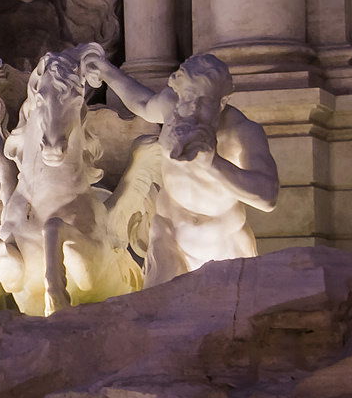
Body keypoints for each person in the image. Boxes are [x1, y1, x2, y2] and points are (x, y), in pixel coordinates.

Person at [80, 47, 280, 283]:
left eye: (203, 102)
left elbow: (267, 197)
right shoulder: (172, 107)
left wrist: (212, 163)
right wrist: (106, 71)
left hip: (224, 242)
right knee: (157, 314)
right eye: (186, 99)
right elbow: (142, 102)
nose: (192, 109)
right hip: (169, 236)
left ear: (222, 101)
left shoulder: (242, 132)